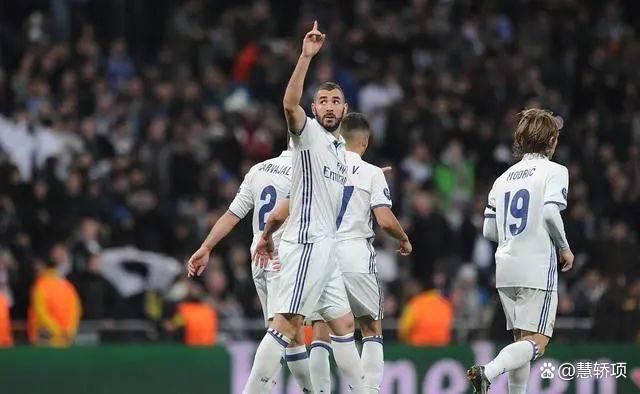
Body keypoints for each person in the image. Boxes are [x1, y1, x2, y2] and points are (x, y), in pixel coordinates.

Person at [248, 20, 364, 394]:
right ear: (314, 109)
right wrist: (305, 56)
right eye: (323, 101)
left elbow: (293, 197)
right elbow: (288, 104)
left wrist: (266, 233)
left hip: (326, 248)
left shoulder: (339, 152)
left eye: (335, 101)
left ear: (345, 109)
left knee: (344, 325)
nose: (329, 107)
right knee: (288, 323)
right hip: (308, 243)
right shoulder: (309, 135)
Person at [186, 141, 313, 390]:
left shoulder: (259, 170)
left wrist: (207, 247)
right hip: (282, 256)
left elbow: (232, 215)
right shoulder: (306, 172)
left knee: (291, 335)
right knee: (283, 333)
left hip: (258, 259)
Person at [467, 109, 574, 394]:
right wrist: (564, 248)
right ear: (551, 140)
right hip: (536, 267)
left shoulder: (502, 179)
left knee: (521, 342)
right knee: (536, 343)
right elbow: (551, 212)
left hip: (506, 268)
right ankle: (487, 372)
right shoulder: (555, 171)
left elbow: (489, 231)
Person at [27, 257, 82, 347]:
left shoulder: (40, 285)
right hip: (67, 338)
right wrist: (70, 330)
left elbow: (41, 312)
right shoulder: (68, 286)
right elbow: (76, 310)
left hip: (46, 337)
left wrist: (56, 331)